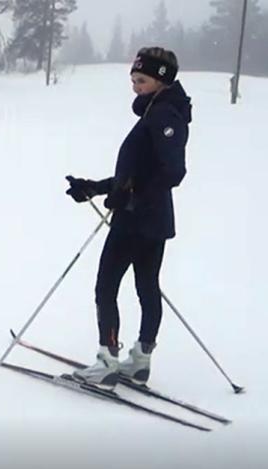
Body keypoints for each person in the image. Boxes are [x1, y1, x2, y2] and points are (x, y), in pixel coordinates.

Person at [65, 47, 190, 389]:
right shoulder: (158, 112)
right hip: (152, 219)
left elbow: (173, 172)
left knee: (107, 286)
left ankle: (108, 361)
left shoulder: (164, 115)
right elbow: (139, 171)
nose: (135, 86)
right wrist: (94, 187)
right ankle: (140, 360)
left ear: (161, 80)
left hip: (137, 221)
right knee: (146, 287)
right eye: (133, 79)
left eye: (142, 80)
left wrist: (129, 197)